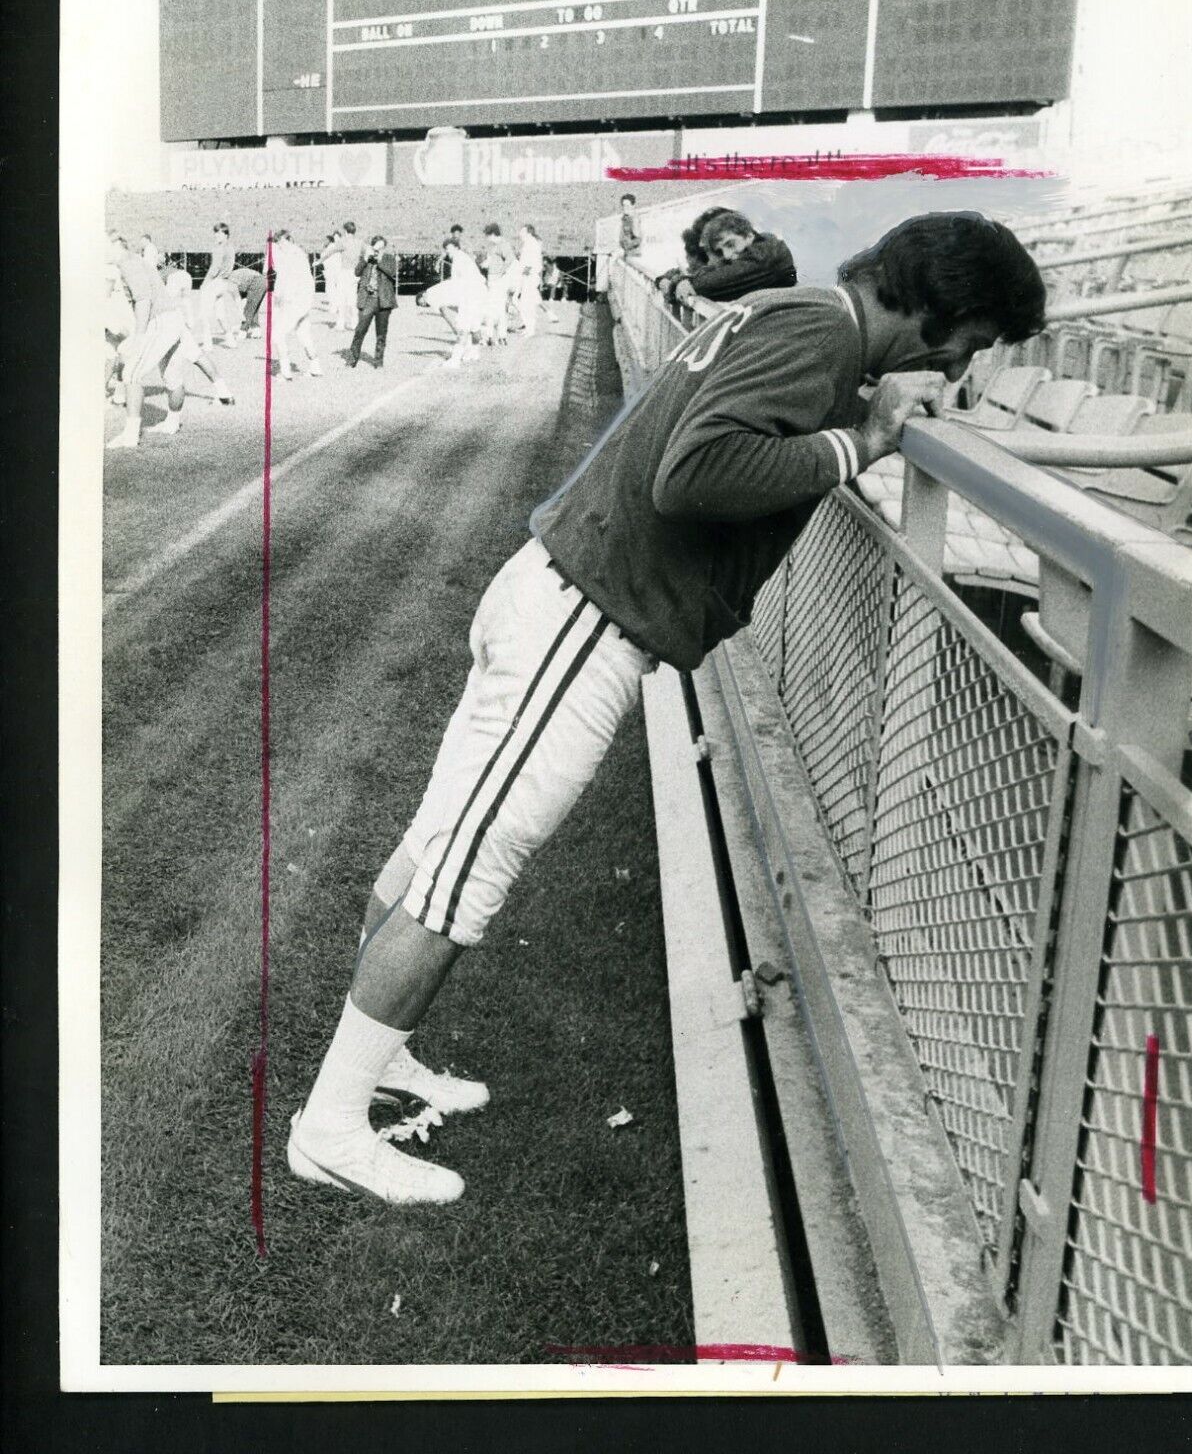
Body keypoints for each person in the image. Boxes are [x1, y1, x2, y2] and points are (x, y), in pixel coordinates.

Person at [286, 211, 1047, 1204]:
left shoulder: (805, 313)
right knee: (465, 874)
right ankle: (331, 1124)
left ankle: (376, 1064)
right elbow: (694, 474)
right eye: (976, 339)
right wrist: (855, 445)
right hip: (586, 615)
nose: (965, 362)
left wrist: (845, 427)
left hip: (562, 594)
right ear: (947, 309)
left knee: (441, 844)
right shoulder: (823, 331)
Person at [105, 231, 233, 449]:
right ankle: (172, 423)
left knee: (131, 375)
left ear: (115, 244)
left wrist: (139, 335)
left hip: (161, 321)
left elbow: (143, 299)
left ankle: (130, 436)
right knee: (172, 376)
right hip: (173, 318)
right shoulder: (136, 260)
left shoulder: (128, 262)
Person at [667, 209, 796, 306]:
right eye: (721, 250)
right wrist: (682, 280)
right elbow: (714, 270)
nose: (727, 255)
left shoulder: (766, 256)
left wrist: (686, 283)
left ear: (749, 236)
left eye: (730, 244)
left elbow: (712, 283)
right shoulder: (755, 249)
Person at [419, 236, 488, 368]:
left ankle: (455, 360)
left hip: (471, 295)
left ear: (456, 248)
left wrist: (456, 310)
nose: (447, 251)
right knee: (474, 327)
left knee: (463, 329)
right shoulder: (463, 258)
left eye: (449, 248)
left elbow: (457, 284)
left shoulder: (459, 259)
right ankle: (474, 352)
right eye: (445, 249)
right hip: (478, 294)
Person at [270, 229, 323, 381]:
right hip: (303, 301)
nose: (279, 247)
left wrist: (280, 298)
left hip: (294, 302)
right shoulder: (299, 253)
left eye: (279, 243)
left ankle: (285, 372)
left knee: (277, 334)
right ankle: (315, 366)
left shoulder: (290, 255)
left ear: (285, 240)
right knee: (303, 333)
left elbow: (285, 282)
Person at [347, 235, 399, 369]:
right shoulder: (366, 259)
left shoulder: (388, 258)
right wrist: (365, 259)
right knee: (360, 331)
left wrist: (380, 260)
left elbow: (392, 272)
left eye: (381, 248)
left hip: (384, 300)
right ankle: (352, 360)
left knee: (381, 333)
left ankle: (378, 362)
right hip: (368, 299)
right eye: (376, 248)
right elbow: (356, 272)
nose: (378, 251)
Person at [199, 222, 238, 348]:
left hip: (215, 283)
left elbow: (214, 268)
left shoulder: (218, 248)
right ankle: (231, 341)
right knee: (220, 314)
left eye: (219, 233)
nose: (216, 235)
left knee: (204, 313)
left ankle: (207, 344)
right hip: (224, 283)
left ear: (225, 234)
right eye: (215, 232)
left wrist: (204, 284)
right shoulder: (231, 248)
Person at [480, 222, 513, 346]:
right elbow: (492, 260)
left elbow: (510, 259)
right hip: (492, 279)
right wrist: (485, 265)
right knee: (493, 308)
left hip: (498, 280)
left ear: (492, 234)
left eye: (487, 236)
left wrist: (500, 272)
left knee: (497, 308)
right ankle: (493, 336)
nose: (487, 239)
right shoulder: (493, 246)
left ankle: (500, 335)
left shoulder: (503, 244)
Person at [226, 263, 268, 342]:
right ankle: (256, 331)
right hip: (262, 281)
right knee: (253, 308)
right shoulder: (234, 277)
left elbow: (237, 298)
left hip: (257, 282)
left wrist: (240, 310)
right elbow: (242, 296)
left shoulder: (230, 280)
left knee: (249, 309)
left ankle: (242, 332)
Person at [336, 222, 364, 331]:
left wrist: (319, 260)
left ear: (345, 231)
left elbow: (330, 251)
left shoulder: (342, 241)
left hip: (344, 272)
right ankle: (354, 323)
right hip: (354, 273)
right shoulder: (359, 242)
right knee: (352, 299)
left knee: (341, 299)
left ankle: (340, 324)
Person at [316, 232, 345, 330]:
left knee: (331, 288)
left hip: (332, 271)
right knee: (332, 288)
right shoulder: (333, 247)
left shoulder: (333, 248)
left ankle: (334, 306)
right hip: (331, 270)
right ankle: (334, 306)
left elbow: (324, 257)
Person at [617, 193, 641, 258]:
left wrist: (625, 248)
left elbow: (638, 240)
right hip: (627, 254)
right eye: (624, 206)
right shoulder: (625, 219)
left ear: (633, 206)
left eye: (627, 206)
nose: (625, 208)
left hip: (634, 255)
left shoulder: (634, 219)